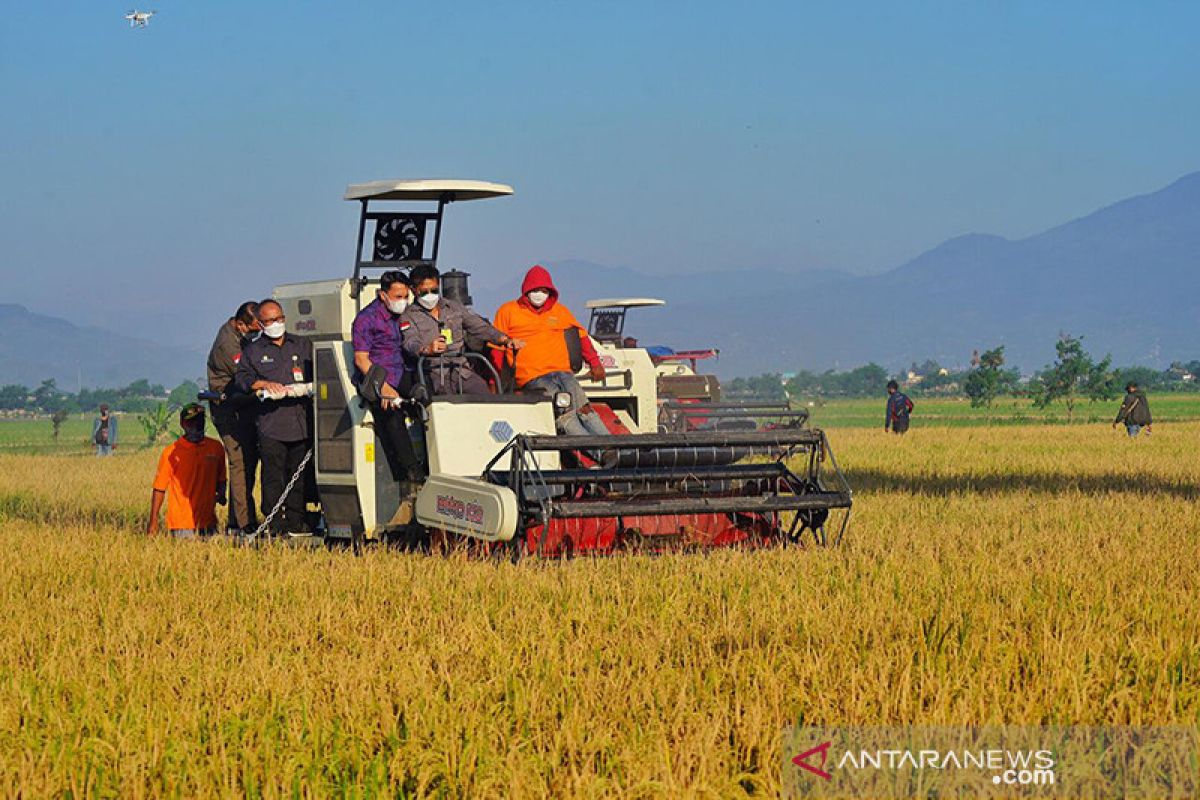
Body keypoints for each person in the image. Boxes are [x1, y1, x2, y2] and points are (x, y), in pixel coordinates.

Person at [492, 265, 610, 437]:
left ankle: (613, 446)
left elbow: (582, 337)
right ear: (526, 290)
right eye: (535, 289)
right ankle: (599, 451)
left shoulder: (560, 311)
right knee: (564, 411)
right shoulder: (508, 311)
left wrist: (595, 363)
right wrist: (494, 382)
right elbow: (496, 349)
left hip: (563, 372)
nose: (539, 294)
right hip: (533, 377)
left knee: (584, 408)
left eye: (544, 290)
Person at [235, 299, 314, 536]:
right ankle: (274, 524)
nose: (275, 324)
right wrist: (263, 383)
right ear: (260, 324)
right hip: (271, 425)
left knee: (298, 476)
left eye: (278, 319)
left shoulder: (301, 344)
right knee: (273, 477)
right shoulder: (253, 351)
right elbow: (241, 380)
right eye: (269, 321)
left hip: (301, 422)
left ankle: (296, 522)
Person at [352, 271, 423, 521]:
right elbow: (361, 360)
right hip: (377, 375)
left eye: (406, 295)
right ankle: (410, 478)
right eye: (398, 296)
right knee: (391, 415)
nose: (403, 300)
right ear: (383, 295)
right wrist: (383, 388)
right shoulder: (366, 319)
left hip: (403, 371)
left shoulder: (407, 314)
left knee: (428, 401)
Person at [401, 264, 524, 395]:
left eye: (434, 290)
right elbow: (410, 342)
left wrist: (505, 340)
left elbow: (479, 326)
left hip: (462, 370)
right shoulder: (408, 316)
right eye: (424, 292)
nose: (430, 295)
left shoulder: (454, 307)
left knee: (483, 393)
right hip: (433, 373)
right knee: (444, 403)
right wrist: (427, 349)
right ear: (414, 290)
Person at [206, 301, 261, 532]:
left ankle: (236, 520)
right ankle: (243, 523)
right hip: (229, 410)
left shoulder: (239, 335)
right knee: (239, 463)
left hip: (243, 407)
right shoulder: (228, 345)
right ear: (241, 324)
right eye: (256, 329)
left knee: (249, 462)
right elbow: (246, 377)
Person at [146, 404, 227, 538]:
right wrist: (153, 522)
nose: (196, 425)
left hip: (208, 523)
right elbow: (159, 489)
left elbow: (222, 479)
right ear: (183, 424)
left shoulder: (216, 448)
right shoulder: (171, 452)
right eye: (192, 422)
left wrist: (222, 494)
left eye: (200, 421)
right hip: (181, 525)